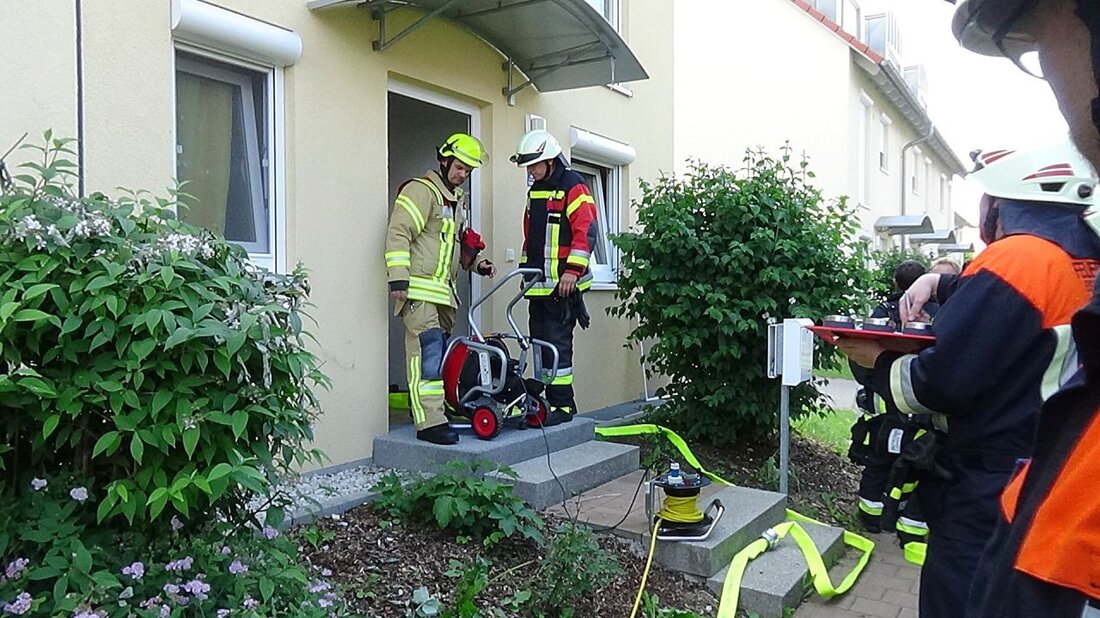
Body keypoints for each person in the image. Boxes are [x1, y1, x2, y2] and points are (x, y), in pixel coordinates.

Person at [835, 142, 1100, 618]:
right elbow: (1020, 315)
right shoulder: (1082, 260)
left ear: (1000, 203)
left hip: (986, 476)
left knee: (957, 598)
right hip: (1042, 464)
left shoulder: (1018, 257)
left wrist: (875, 361)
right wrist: (939, 283)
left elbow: (939, 384)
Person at [385, 133, 495, 445]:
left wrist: (478, 264)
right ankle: (430, 423)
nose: (464, 174)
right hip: (419, 291)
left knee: (437, 356)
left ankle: (434, 409)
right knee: (427, 352)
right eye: (460, 167)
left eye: (469, 171)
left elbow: (457, 244)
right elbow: (398, 233)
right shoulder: (422, 191)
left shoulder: (455, 202)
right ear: (444, 160)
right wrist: (398, 279)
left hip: (443, 294)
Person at [510, 130, 598, 426]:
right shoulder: (536, 189)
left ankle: (563, 406)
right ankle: (546, 400)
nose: (531, 172)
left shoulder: (574, 186)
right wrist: (526, 273)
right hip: (538, 284)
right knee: (540, 343)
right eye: (528, 167)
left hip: (563, 286)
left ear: (550, 160)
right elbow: (531, 236)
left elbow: (586, 232)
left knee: (558, 345)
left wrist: (572, 272)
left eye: (534, 166)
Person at [849, 259, 938, 548]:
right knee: (916, 466)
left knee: (878, 461)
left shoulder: (881, 313)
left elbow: (861, 360)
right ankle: (900, 517)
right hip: (922, 410)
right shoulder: (939, 314)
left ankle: (872, 517)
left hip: (883, 410)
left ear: (894, 284)